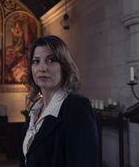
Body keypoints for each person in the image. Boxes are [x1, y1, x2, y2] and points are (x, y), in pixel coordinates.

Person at [20, 35, 98, 167]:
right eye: (36, 61)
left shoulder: (77, 108)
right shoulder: (35, 108)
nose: (42, 68)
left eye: (51, 60)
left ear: (64, 66)